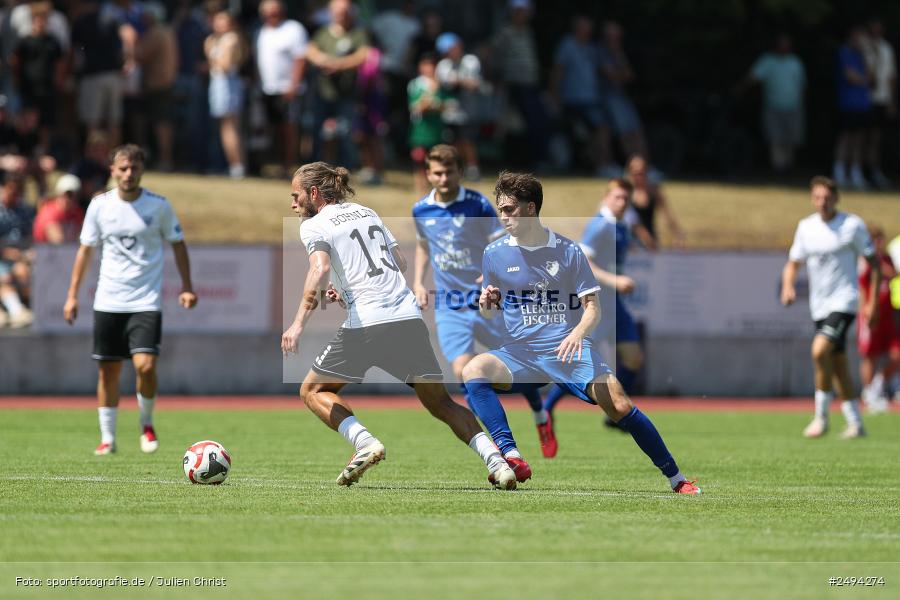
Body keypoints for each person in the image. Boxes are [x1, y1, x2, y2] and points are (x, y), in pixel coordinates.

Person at [280, 161, 517, 490]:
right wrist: (347, 284)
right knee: (441, 402)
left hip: (368, 323)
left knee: (312, 390)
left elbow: (319, 269)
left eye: (296, 196)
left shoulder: (314, 225)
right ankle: (498, 463)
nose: (292, 204)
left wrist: (296, 324)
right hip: (407, 318)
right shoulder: (367, 212)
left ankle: (365, 443)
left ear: (314, 193)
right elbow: (400, 263)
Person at [460, 172, 700, 494]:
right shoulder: (495, 253)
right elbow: (491, 308)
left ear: (531, 209)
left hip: (566, 350)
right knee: (472, 370)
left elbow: (593, 308)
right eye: (500, 209)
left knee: (620, 404)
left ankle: (677, 479)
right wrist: (487, 303)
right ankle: (511, 456)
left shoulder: (568, 251)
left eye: (510, 209)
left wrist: (576, 334)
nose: (503, 217)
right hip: (520, 354)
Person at [412, 144, 544, 479]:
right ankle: (503, 450)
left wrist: (494, 271)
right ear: (428, 174)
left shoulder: (478, 204)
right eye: (437, 173)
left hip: (487, 298)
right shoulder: (420, 209)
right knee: (464, 373)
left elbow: (500, 241)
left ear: (459, 171)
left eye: (449, 171)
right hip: (451, 306)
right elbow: (424, 245)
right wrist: (417, 282)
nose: (443, 178)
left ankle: (539, 410)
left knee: (517, 367)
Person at [64, 144, 197, 455]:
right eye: (122, 168)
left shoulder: (159, 206)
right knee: (108, 371)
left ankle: (146, 423)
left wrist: (187, 286)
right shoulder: (99, 206)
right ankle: (108, 438)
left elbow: (178, 244)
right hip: (108, 301)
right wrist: (72, 296)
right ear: (112, 171)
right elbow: (85, 251)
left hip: (145, 301)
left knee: (146, 366)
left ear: (141, 171)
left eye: (133, 168)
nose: (128, 174)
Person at [541, 179, 655, 449]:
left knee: (634, 358)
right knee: (584, 368)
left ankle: (613, 417)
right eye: (617, 197)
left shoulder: (620, 225)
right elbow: (584, 259)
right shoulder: (599, 225)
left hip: (615, 304)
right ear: (606, 198)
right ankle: (546, 409)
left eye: (626, 199)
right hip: (596, 303)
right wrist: (613, 280)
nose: (622, 202)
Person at [781, 176, 879, 439]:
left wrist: (871, 303)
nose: (822, 203)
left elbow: (875, 263)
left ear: (836, 199)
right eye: (818, 198)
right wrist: (787, 286)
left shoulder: (852, 225)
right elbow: (793, 263)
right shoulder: (806, 227)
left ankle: (821, 417)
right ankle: (855, 422)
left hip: (844, 302)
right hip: (819, 306)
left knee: (819, 350)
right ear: (813, 199)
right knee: (838, 363)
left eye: (827, 198)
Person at [305, 0, 371, 166]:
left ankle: (345, 169)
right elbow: (310, 51)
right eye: (338, 11)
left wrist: (338, 65)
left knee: (345, 133)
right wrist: (323, 60)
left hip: (346, 94)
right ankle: (317, 168)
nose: (341, 14)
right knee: (318, 132)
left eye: (345, 11)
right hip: (323, 93)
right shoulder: (323, 33)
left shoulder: (357, 33)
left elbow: (363, 56)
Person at [551, 15, 616, 177]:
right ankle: (603, 164)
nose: (586, 31)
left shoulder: (592, 49)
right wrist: (555, 94)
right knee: (601, 129)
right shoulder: (567, 45)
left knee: (601, 130)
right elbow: (558, 71)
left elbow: (604, 71)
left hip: (592, 99)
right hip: (574, 100)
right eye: (583, 28)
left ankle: (602, 164)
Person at [739, 33, 806, 174]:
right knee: (775, 139)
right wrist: (739, 89)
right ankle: (778, 167)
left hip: (793, 107)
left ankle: (788, 166)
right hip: (773, 107)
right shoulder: (767, 61)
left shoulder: (795, 62)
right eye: (781, 43)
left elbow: (802, 85)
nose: (784, 47)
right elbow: (752, 78)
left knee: (791, 139)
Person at [255, 0, 308, 175]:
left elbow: (300, 59)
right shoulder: (260, 31)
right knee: (269, 130)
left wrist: (293, 85)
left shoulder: (293, 29)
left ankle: (288, 166)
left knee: (288, 130)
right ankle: (272, 164)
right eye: (268, 12)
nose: (272, 15)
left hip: (287, 89)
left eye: (275, 11)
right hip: (266, 89)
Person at [857, 225, 899, 413]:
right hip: (870, 314)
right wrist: (865, 309)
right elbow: (859, 285)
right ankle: (868, 394)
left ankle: (878, 385)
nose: (878, 243)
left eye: (881, 239)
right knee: (870, 355)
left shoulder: (886, 259)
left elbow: (893, 274)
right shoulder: (864, 259)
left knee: (896, 353)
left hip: (887, 315)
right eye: (875, 240)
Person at [597, 21, 648, 161]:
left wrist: (618, 54)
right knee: (625, 133)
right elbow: (613, 76)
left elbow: (629, 75)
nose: (615, 38)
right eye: (612, 34)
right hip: (608, 97)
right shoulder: (600, 52)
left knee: (637, 132)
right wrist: (621, 75)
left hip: (622, 96)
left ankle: (646, 167)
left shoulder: (619, 52)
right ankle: (633, 168)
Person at [205, 9, 246, 179]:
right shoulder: (215, 39)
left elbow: (225, 64)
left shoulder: (231, 39)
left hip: (227, 85)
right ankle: (233, 165)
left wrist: (212, 55)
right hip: (219, 84)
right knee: (225, 127)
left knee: (229, 127)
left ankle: (237, 167)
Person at [435, 32, 482, 181]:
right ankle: (456, 169)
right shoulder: (443, 65)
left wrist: (458, 81)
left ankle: (473, 168)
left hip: (467, 110)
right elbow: (440, 84)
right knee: (452, 143)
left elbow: (475, 84)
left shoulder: (470, 61)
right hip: (449, 111)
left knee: (468, 141)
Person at [833, 25, 873, 190]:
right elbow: (851, 77)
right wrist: (864, 80)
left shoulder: (863, 55)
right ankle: (839, 173)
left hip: (863, 103)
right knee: (846, 138)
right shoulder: (844, 52)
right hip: (848, 103)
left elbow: (871, 76)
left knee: (860, 139)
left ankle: (856, 174)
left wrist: (867, 54)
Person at [408, 53, 448, 196]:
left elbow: (445, 105)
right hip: (421, 129)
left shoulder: (441, 85)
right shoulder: (416, 85)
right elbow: (416, 107)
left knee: (436, 161)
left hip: (436, 129)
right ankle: (420, 188)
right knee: (419, 160)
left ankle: (434, 188)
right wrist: (431, 94)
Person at [862, 19, 896, 189]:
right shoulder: (864, 47)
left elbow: (891, 76)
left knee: (876, 138)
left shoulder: (886, 48)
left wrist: (891, 100)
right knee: (860, 137)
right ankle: (859, 172)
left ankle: (874, 171)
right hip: (865, 98)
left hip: (881, 98)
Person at [0, 172, 34, 328]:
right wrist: (9, 254)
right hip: (3, 257)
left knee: (23, 272)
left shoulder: (24, 210)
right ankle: (16, 311)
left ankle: (24, 310)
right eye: (11, 189)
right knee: (5, 277)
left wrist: (28, 253)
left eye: (18, 191)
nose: (14, 194)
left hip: (21, 258)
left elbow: (30, 236)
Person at [625, 155, 683, 246]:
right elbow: (631, 221)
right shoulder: (625, 192)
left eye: (642, 173)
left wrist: (677, 234)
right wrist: (645, 238)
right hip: (630, 241)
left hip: (650, 240)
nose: (639, 177)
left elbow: (667, 214)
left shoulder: (653, 191)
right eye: (636, 173)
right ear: (630, 172)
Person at [33, 173, 84, 244]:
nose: (68, 199)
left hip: (68, 251)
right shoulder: (49, 212)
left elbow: (82, 236)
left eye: (72, 195)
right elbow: (58, 241)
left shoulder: (77, 211)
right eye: (66, 194)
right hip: (46, 252)